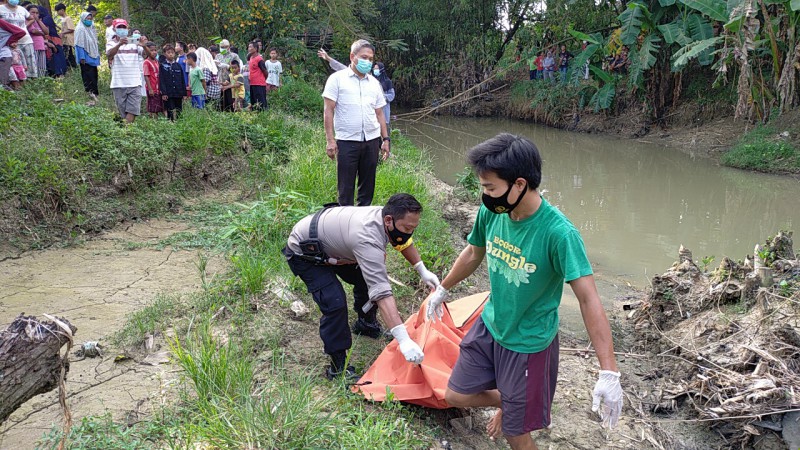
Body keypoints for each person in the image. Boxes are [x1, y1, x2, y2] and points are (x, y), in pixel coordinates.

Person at [423, 133, 623, 449]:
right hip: (491, 325)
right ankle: (509, 398)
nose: (485, 195)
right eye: (483, 188)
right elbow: (474, 253)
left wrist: (609, 372)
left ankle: (515, 405)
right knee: (455, 394)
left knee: (516, 435)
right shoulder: (494, 212)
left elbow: (588, 299)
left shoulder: (559, 233)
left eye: (490, 188)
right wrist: (442, 289)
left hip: (528, 343)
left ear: (519, 184)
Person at [282, 193, 440, 379]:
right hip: (305, 253)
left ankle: (365, 324)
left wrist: (422, 269)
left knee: (366, 279)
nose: (409, 232)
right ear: (389, 220)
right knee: (335, 303)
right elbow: (381, 293)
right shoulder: (367, 237)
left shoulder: (385, 218)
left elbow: (403, 241)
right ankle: (338, 368)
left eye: (413, 228)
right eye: (407, 227)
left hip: (334, 246)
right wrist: (404, 340)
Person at [322, 39, 391, 207]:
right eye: (364, 57)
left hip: (371, 141)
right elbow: (328, 110)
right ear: (352, 56)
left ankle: (362, 221)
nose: (367, 62)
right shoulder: (337, 79)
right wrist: (330, 141)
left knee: (367, 186)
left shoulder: (374, 83)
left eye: (370, 58)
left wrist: (386, 139)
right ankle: (345, 223)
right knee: (345, 187)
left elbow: (379, 113)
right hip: (347, 141)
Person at [106, 18, 144, 123]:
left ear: (128, 28)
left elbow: (146, 55)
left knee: (132, 111)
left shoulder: (134, 43)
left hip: (135, 83)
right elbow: (109, 54)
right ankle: (125, 132)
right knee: (123, 113)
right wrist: (119, 44)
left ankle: (125, 132)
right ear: (114, 29)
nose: (122, 29)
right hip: (119, 83)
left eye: (124, 27)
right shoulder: (111, 43)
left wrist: (144, 45)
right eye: (119, 27)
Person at [0, 0, 35, 79]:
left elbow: (31, 19)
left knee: (29, 64)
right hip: (8, 41)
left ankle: (30, 84)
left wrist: (24, 26)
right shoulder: (1, 8)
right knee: (13, 65)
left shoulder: (21, 9)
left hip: (24, 39)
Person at [73, 11, 99, 104]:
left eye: (90, 19)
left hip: (92, 55)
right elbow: (79, 44)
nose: (89, 21)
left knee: (94, 73)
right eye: (87, 19)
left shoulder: (91, 27)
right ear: (83, 19)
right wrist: (82, 57)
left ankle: (95, 91)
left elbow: (94, 41)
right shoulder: (80, 29)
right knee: (87, 73)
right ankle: (89, 91)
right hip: (85, 56)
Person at [159, 43, 186, 120]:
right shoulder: (162, 66)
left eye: (172, 52)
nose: (170, 54)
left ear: (175, 53)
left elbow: (182, 80)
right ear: (165, 54)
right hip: (168, 92)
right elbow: (162, 80)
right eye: (168, 53)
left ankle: (180, 123)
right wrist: (164, 93)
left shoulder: (178, 65)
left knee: (179, 109)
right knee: (170, 109)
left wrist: (184, 93)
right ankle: (170, 123)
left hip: (178, 92)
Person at [214, 39, 241, 111]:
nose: (222, 48)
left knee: (230, 101)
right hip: (220, 81)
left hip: (231, 81)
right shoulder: (218, 56)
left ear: (228, 47)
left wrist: (228, 67)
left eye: (224, 47)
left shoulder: (234, 56)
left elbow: (238, 69)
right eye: (221, 47)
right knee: (221, 102)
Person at [0, 18, 26, 89]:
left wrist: (8, 42)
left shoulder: (1, 22)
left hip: (3, 55)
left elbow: (20, 32)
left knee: (2, 82)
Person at [142, 42, 163, 118]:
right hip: (152, 88)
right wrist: (150, 89)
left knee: (159, 106)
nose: (154, 52)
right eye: (151, 50)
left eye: (155, 50)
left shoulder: (157, 61)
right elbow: (146, 76)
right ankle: (153, 121)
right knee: (153, 108)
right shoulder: (146, 62)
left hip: (158, 88)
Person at [25, 5, 47, 78]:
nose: (35, 15)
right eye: (32, 13)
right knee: (35, 65)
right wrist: (42, 33)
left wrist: (38, 21)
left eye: (37, 13)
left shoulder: (38, 21)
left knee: (42, 66)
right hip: (33, 46)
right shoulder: (28, 21)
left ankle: (42, 80)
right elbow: (34, 31)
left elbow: (46, 31)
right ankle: (35, 81)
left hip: (41, 46)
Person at [372, 62, 394, 128]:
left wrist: (381, 96)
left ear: (381, 69)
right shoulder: (372, 80)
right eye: (374, 69)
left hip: (384, 108)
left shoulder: (387, 81)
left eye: (377, 69)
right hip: (373, 109)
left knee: (384, 126)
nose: (375, 70)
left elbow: (391, 95)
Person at [54, 3, 76, 69]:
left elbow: (71, 29)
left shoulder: (68, 18)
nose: (57, 13)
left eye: (58, 11)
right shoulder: (63, 19)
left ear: (62, 10)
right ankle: (70, 66)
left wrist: (63, 33)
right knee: (67, 53)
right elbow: (64, 29)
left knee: (69, 53)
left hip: (68, 39)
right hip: (64, 40)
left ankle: (73, 66)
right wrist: (57, 26)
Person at [246, 41, 268, 110]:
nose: (249, 48)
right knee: (254, 102)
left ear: (255, 49)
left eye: (250, 47)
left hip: (259, 84)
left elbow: (265, 71)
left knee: (261, 103)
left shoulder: (259, 59)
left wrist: (263, 79)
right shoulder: (251, 58)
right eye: (248, 47)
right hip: (252, 83)